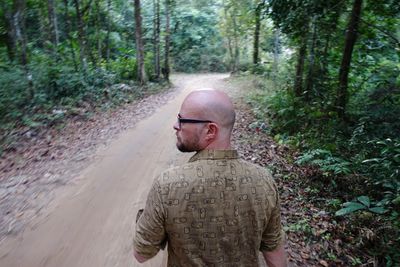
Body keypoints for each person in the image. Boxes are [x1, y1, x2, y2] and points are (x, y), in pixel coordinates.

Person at [133, 89, 287, 266]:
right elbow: (274, 251)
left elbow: (141, 254)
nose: (175, 125)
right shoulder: (264, 180)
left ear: (210, 131)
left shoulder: (167, 186)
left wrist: (149, 217)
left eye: (182, 120)